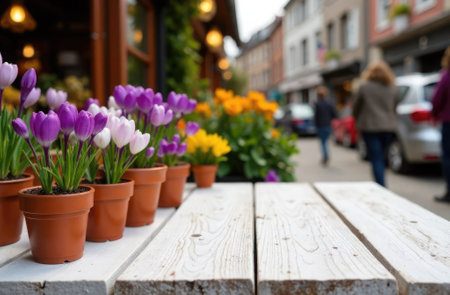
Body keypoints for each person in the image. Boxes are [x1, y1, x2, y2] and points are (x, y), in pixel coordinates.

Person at [353, 61, 397, 187]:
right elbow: (394, 107)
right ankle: (381, 182)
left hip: (370, 127)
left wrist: (357, 118)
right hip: (388, 127)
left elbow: (356, 108)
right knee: (382, 157)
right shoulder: (392, 87)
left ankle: (380, 186)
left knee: (376, 158)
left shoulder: (364, 87)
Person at [431, 47, 450, 203]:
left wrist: (435, 114)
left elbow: (437, 99)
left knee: (448, 156)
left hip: (449, 121)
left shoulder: (447, 75)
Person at [314, 86, 336, 165]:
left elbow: (316, 116)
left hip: (320, 125)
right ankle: (326, 155)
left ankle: (325, 156)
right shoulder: (329, 103)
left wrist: (315, 125)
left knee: (323, 142)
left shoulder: (317, 103)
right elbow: (334, 114)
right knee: (326, 141)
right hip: (328, 125)